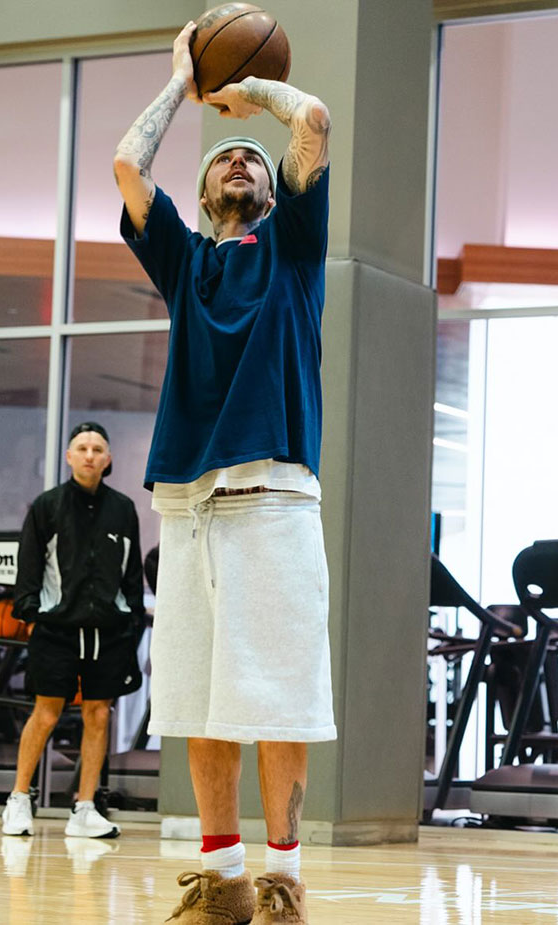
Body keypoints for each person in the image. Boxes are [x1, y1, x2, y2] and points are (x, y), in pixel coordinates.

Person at [114, 20, 335, 925]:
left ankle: (284, 879)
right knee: (201, 700)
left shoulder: (293, 249)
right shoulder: (186, 257)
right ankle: (227, 879)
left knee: (278, 695)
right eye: (224, 159)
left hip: (276, 493)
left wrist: (251, 98)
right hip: (189, 504)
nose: (239, 161)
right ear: (205, 193)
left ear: (270, 190)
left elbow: (312, 119)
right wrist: (179, 83)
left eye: (252, 159)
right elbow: (130, 168)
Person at [2, 422, 145, 839]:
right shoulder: (47, 506)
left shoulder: (123, 508)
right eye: (81, 447)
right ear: (68, 457)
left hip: (108, 630)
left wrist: (131, 613)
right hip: (57, 628)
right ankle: (18, 800)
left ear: (108, 459)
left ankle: (84, 808)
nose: (89, 454)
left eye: (97, 448)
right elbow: (28, 563)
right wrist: (29, 609)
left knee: (98, 714)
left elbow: (131, 570)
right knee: (46, 712)